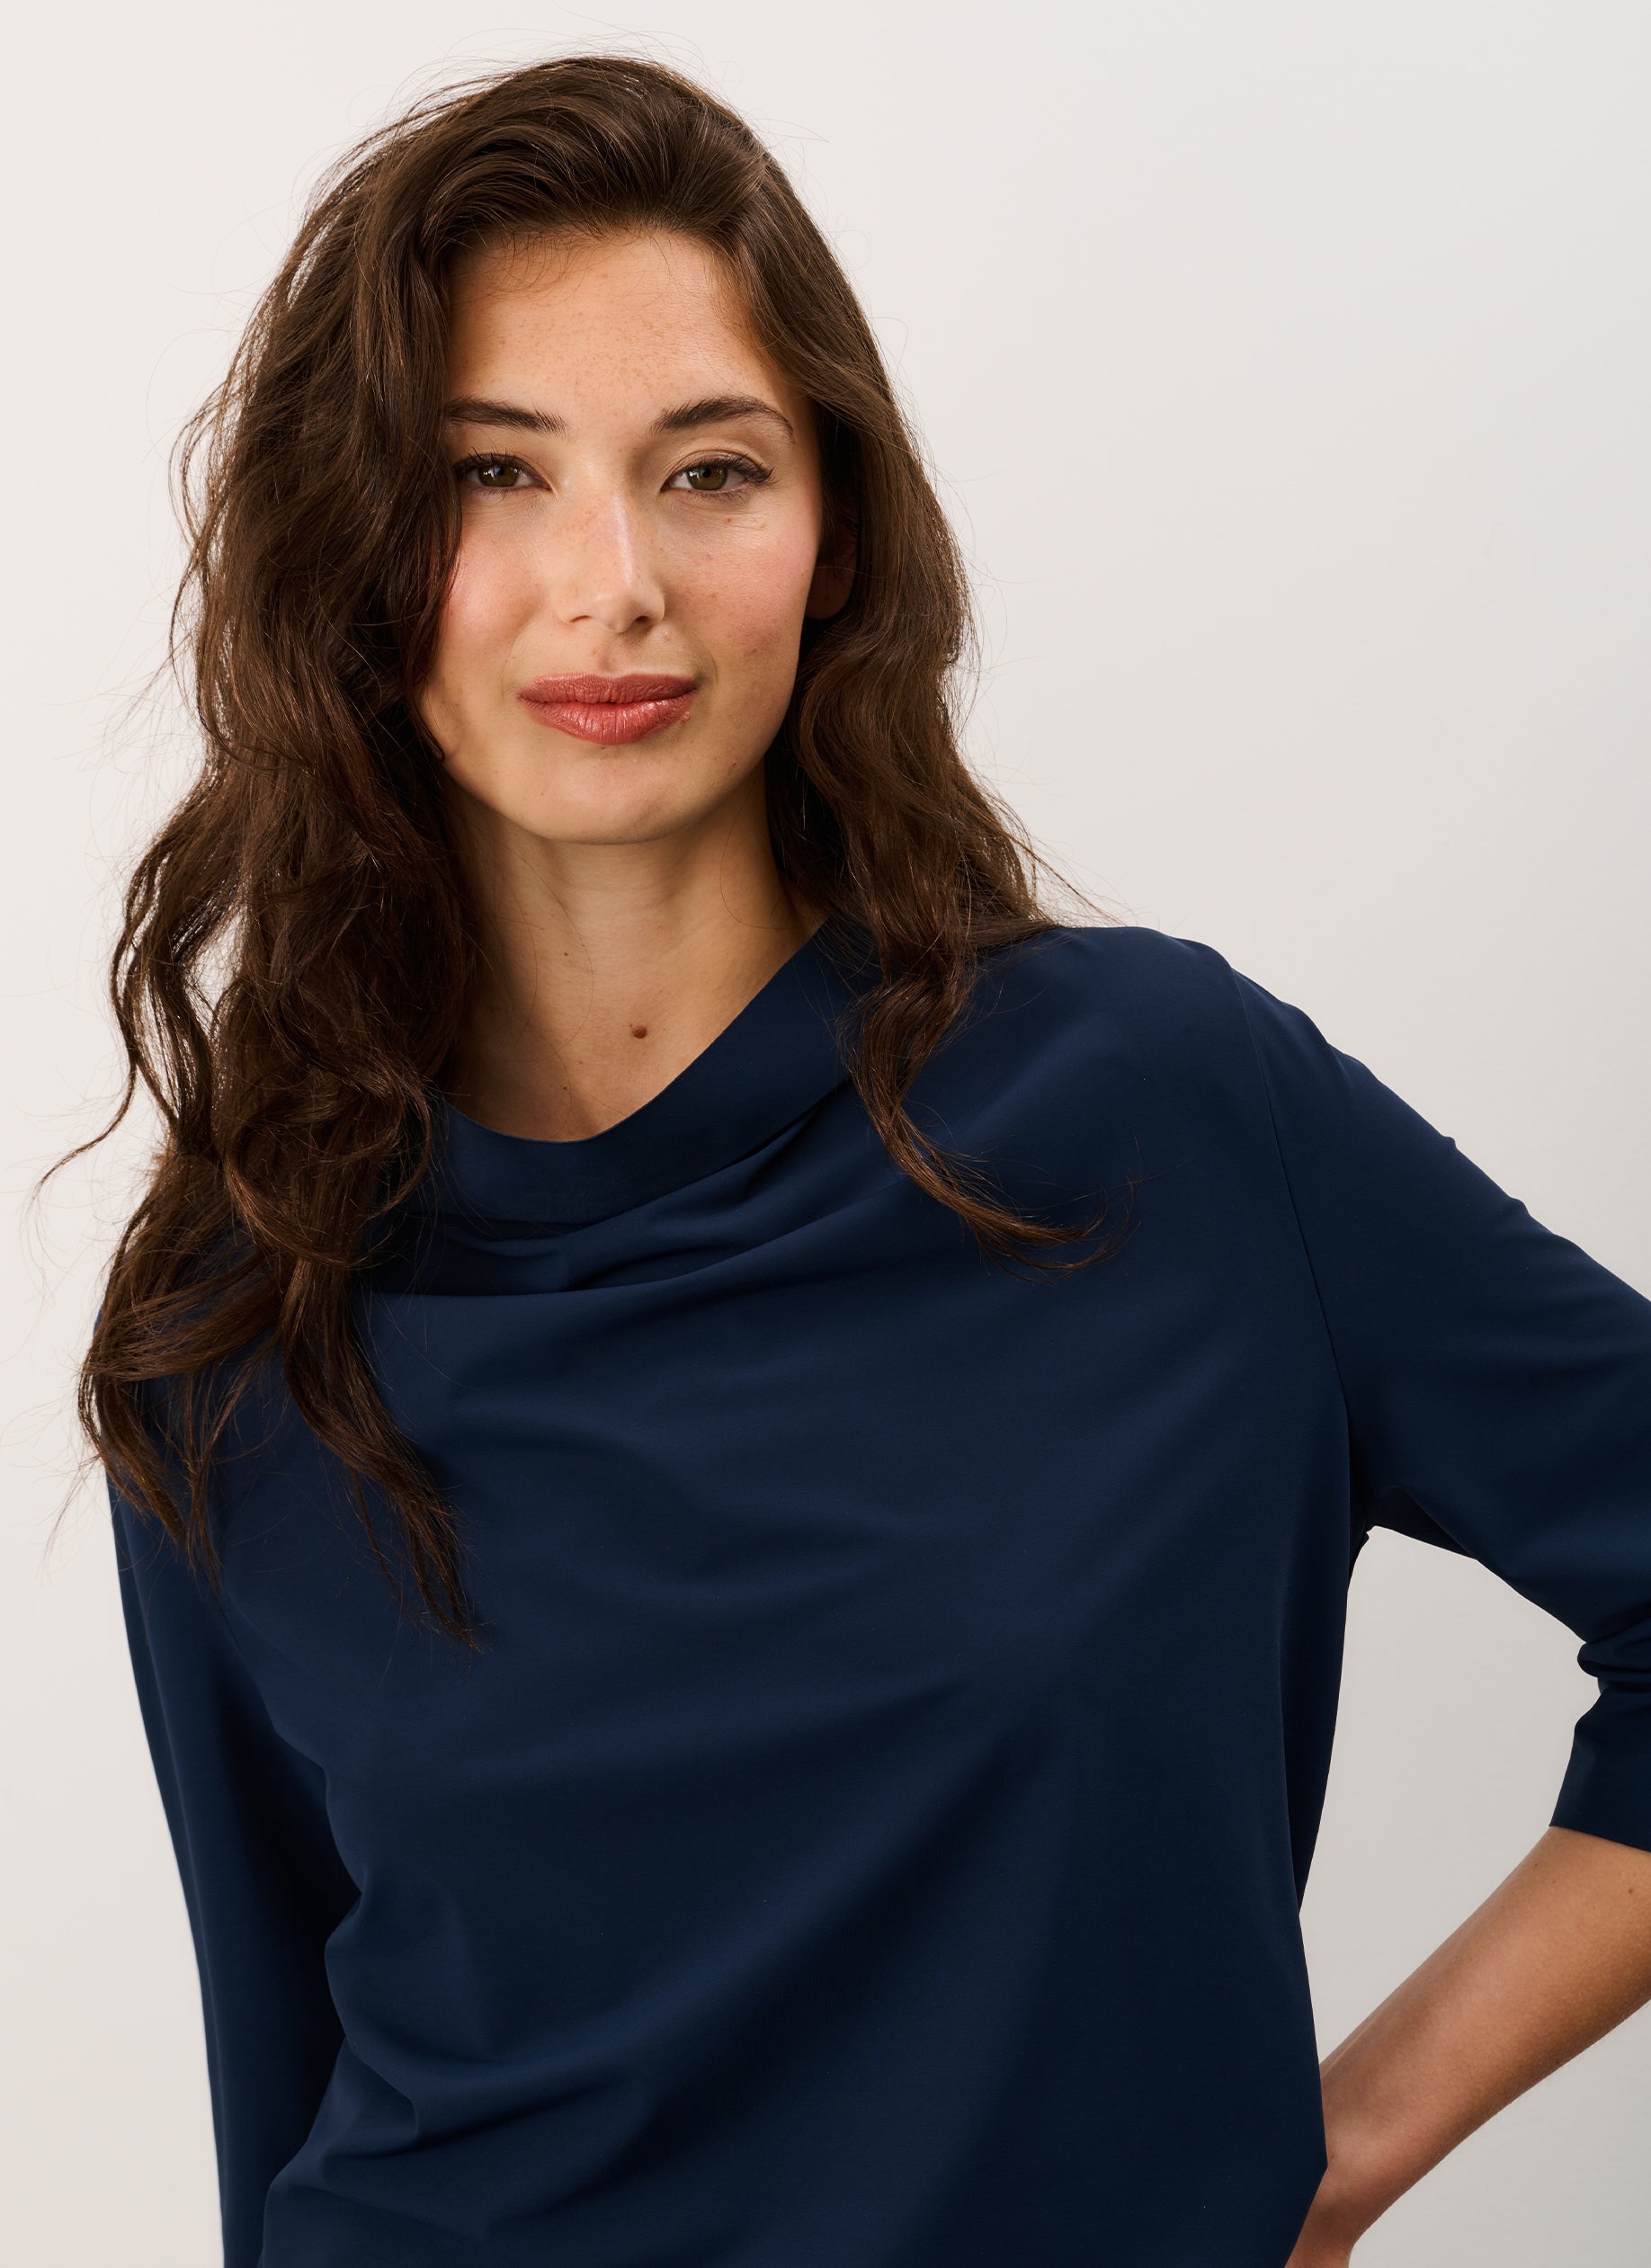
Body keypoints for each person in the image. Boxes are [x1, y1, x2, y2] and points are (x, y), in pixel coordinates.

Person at [89, 52, 1651, 2268]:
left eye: (708, 469)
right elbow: (286, 2064)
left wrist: (1340, 2145)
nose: (615, 582)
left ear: (834, 538)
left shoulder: (1159, 1111)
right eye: (491, 474)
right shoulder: (246, 1302)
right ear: (354, 553)